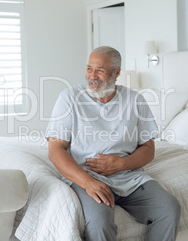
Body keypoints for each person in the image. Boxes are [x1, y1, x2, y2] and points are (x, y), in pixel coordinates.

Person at [45, 46, 181, 241]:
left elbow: (148, 149)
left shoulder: (135, 100)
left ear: (117, 72)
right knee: (100, 221)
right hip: (87, 176)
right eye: (89, 68)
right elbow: (55, 150)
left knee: (169, 208)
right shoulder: (69, 98)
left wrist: (122, 164)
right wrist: (88, 183)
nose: (92, 76)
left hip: (129, 177)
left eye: (99, 70)